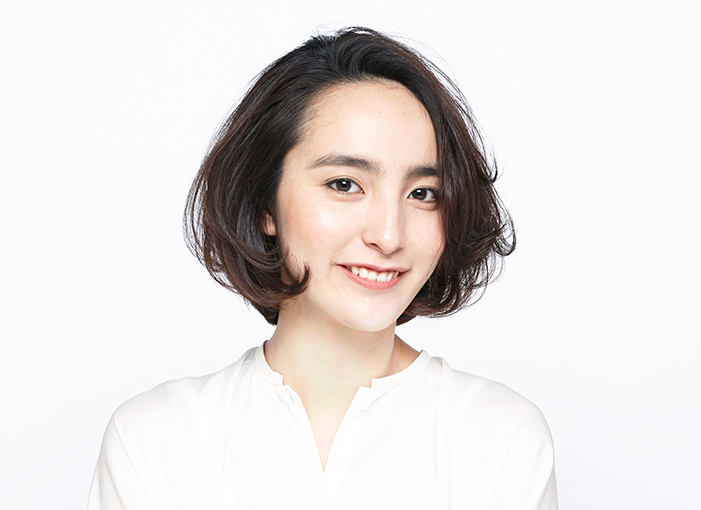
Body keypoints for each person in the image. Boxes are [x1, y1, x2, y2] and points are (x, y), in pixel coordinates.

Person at [88, 27, 558, 509]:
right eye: (344, 184)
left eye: (422, 193)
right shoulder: (154, 442)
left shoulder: (502, 440)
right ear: (265, 203)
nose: (388, 235)